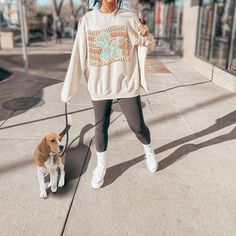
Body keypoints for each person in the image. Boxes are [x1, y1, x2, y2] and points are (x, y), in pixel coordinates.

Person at [61, 0, 158, 189]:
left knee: (137, 126)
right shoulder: (88, 20)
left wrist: (147, 37)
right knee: (100, 128)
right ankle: (101, 166)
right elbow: (78, 56)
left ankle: (148, 149)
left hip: (126, 84)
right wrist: (68, 90)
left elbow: (148, 44)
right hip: (100, 87)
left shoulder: (129, 17)